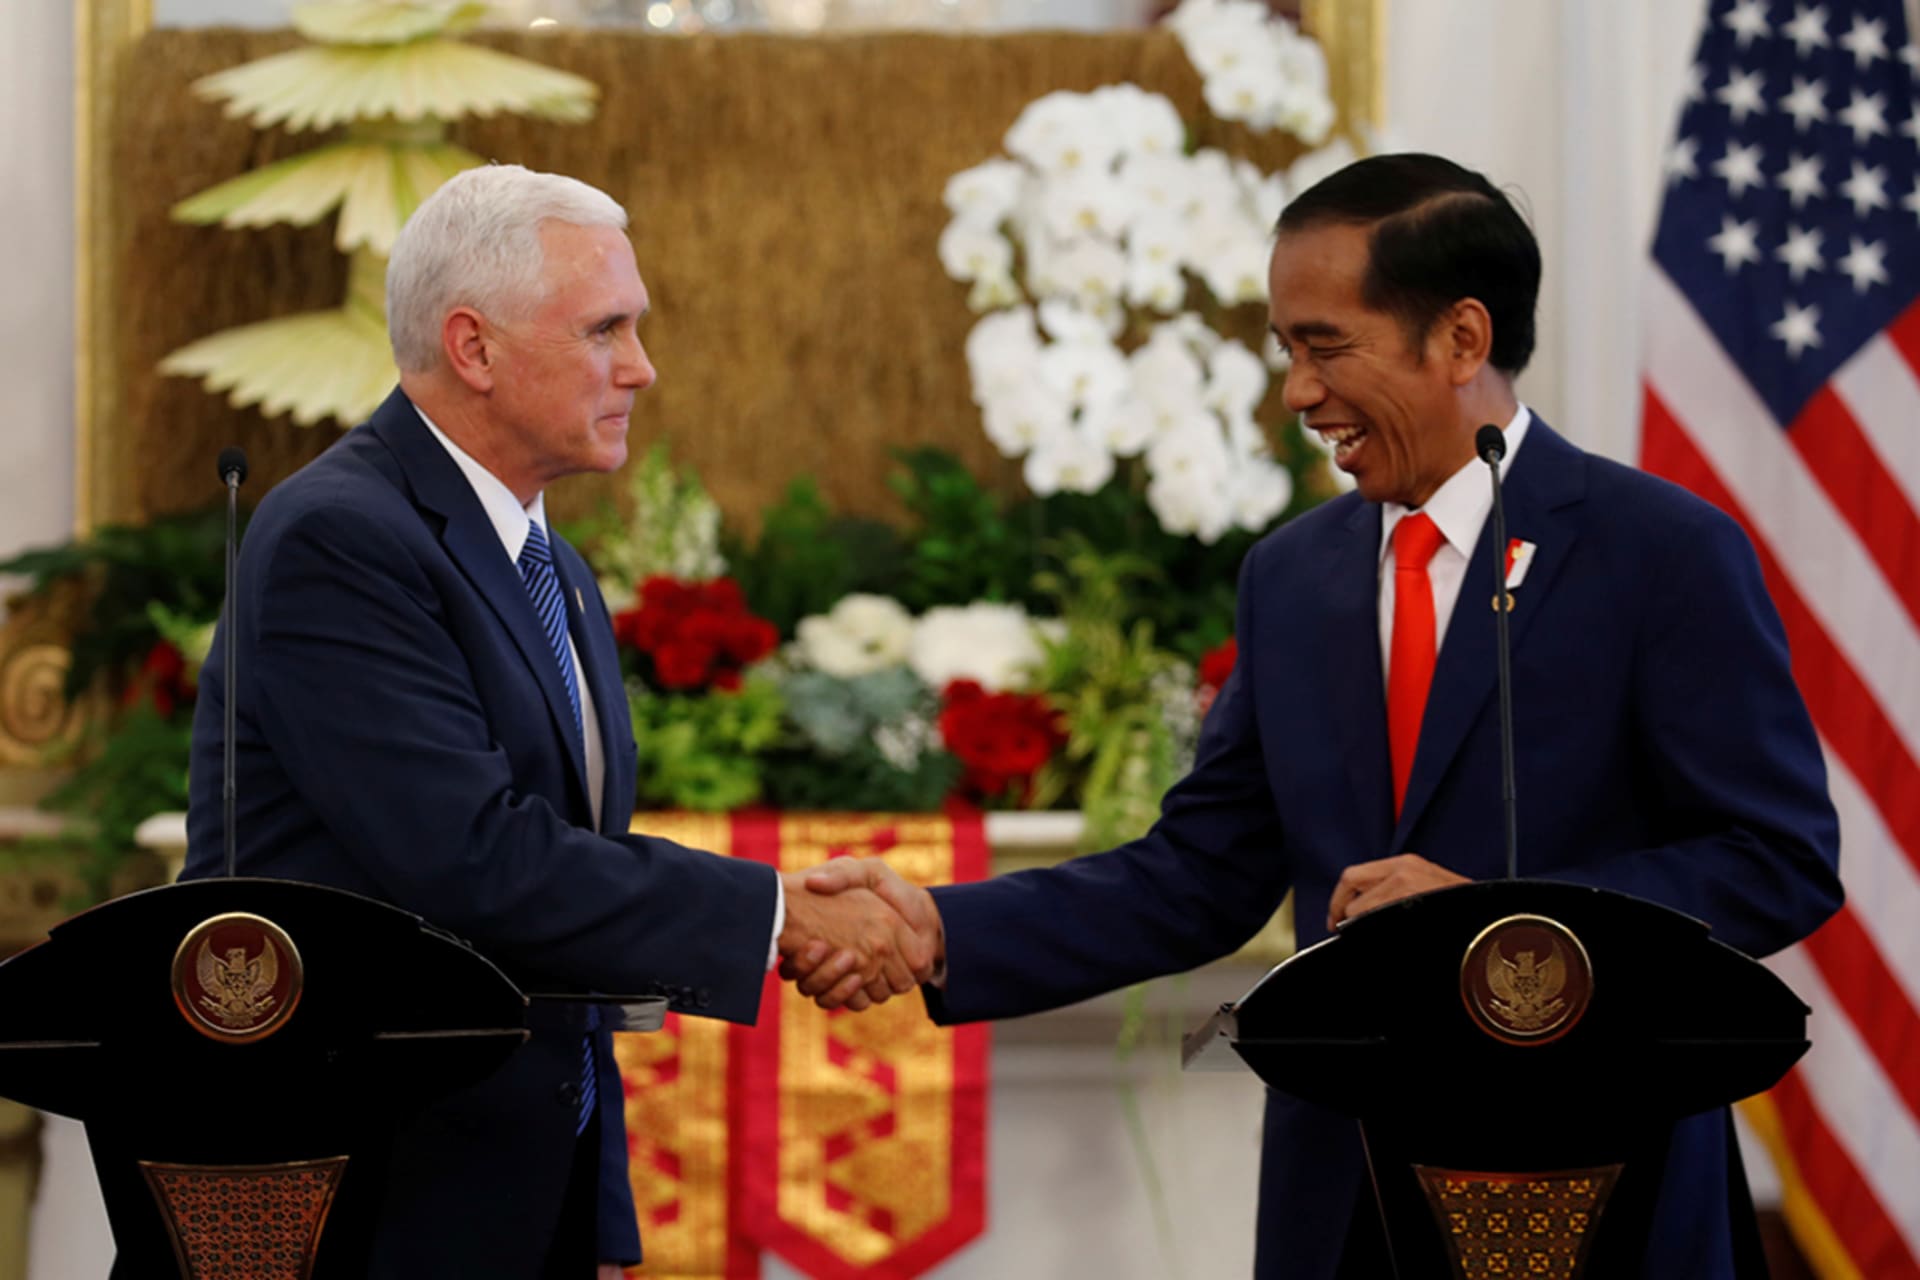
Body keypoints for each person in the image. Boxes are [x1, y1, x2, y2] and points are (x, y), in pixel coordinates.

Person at [791, 153, 1844, 1278]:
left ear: (1463, 339)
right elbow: (1200, 873)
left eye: (1326, 346)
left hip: (1597, 1190)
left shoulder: (1662, 552)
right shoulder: (1291, 578)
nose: (1297, 393)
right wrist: (940, 929)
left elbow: (1776, 860)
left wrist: (1502, 925)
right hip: (1345, 1205)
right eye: (1286, 350)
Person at [182, 164, 935, 1279]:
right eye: (604, 330)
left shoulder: (553, 566)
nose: (641, 366)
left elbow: (562, 912)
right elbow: (476, 860)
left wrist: (598, 1223)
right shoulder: (338, 539)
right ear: (474, 348)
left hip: (519, 1202)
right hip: (361, 1201)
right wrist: (777, 913)